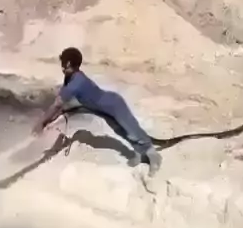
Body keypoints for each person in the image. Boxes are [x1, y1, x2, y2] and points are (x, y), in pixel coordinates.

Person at [32, 47, 162, 174]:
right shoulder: (71, 78)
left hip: (114, 105)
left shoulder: (76, 83)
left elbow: (56, 106)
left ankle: (155, 157)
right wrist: (48, 120)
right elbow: (60, 106)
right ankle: (142, 154)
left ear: (68, 64)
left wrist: (41, 123)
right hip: (103, 110)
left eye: (63, 63)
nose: (61, 66)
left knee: (132, 131)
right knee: (121, 131)